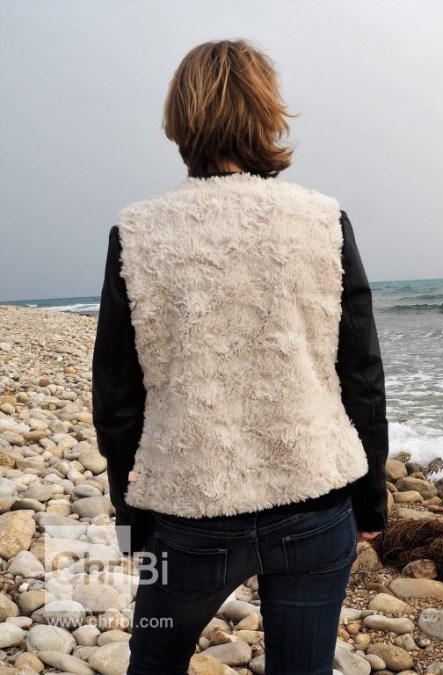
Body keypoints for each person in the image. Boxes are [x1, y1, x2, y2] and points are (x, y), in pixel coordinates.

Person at [92, 39, 388, 674]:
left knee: (153, 663)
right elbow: (360, 374)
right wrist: (370, 501)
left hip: (190, 513)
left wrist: (129, 519)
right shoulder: (324, 220)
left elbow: (116, 398)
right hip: (315, 502)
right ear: (268, 115)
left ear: (180, 119)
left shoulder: (137, 232)